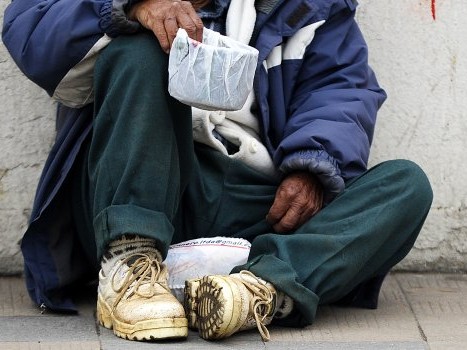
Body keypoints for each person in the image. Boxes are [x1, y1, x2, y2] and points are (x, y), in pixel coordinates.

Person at [2, 0, 433, 343]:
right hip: (134, 183)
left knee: (406, 186)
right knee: (139, 50)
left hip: (252, 208)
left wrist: (312, 169)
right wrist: (131, 6)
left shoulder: (310, 8)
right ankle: (130, 267)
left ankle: (255, 293)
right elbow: (30, 23)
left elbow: (341, 90)